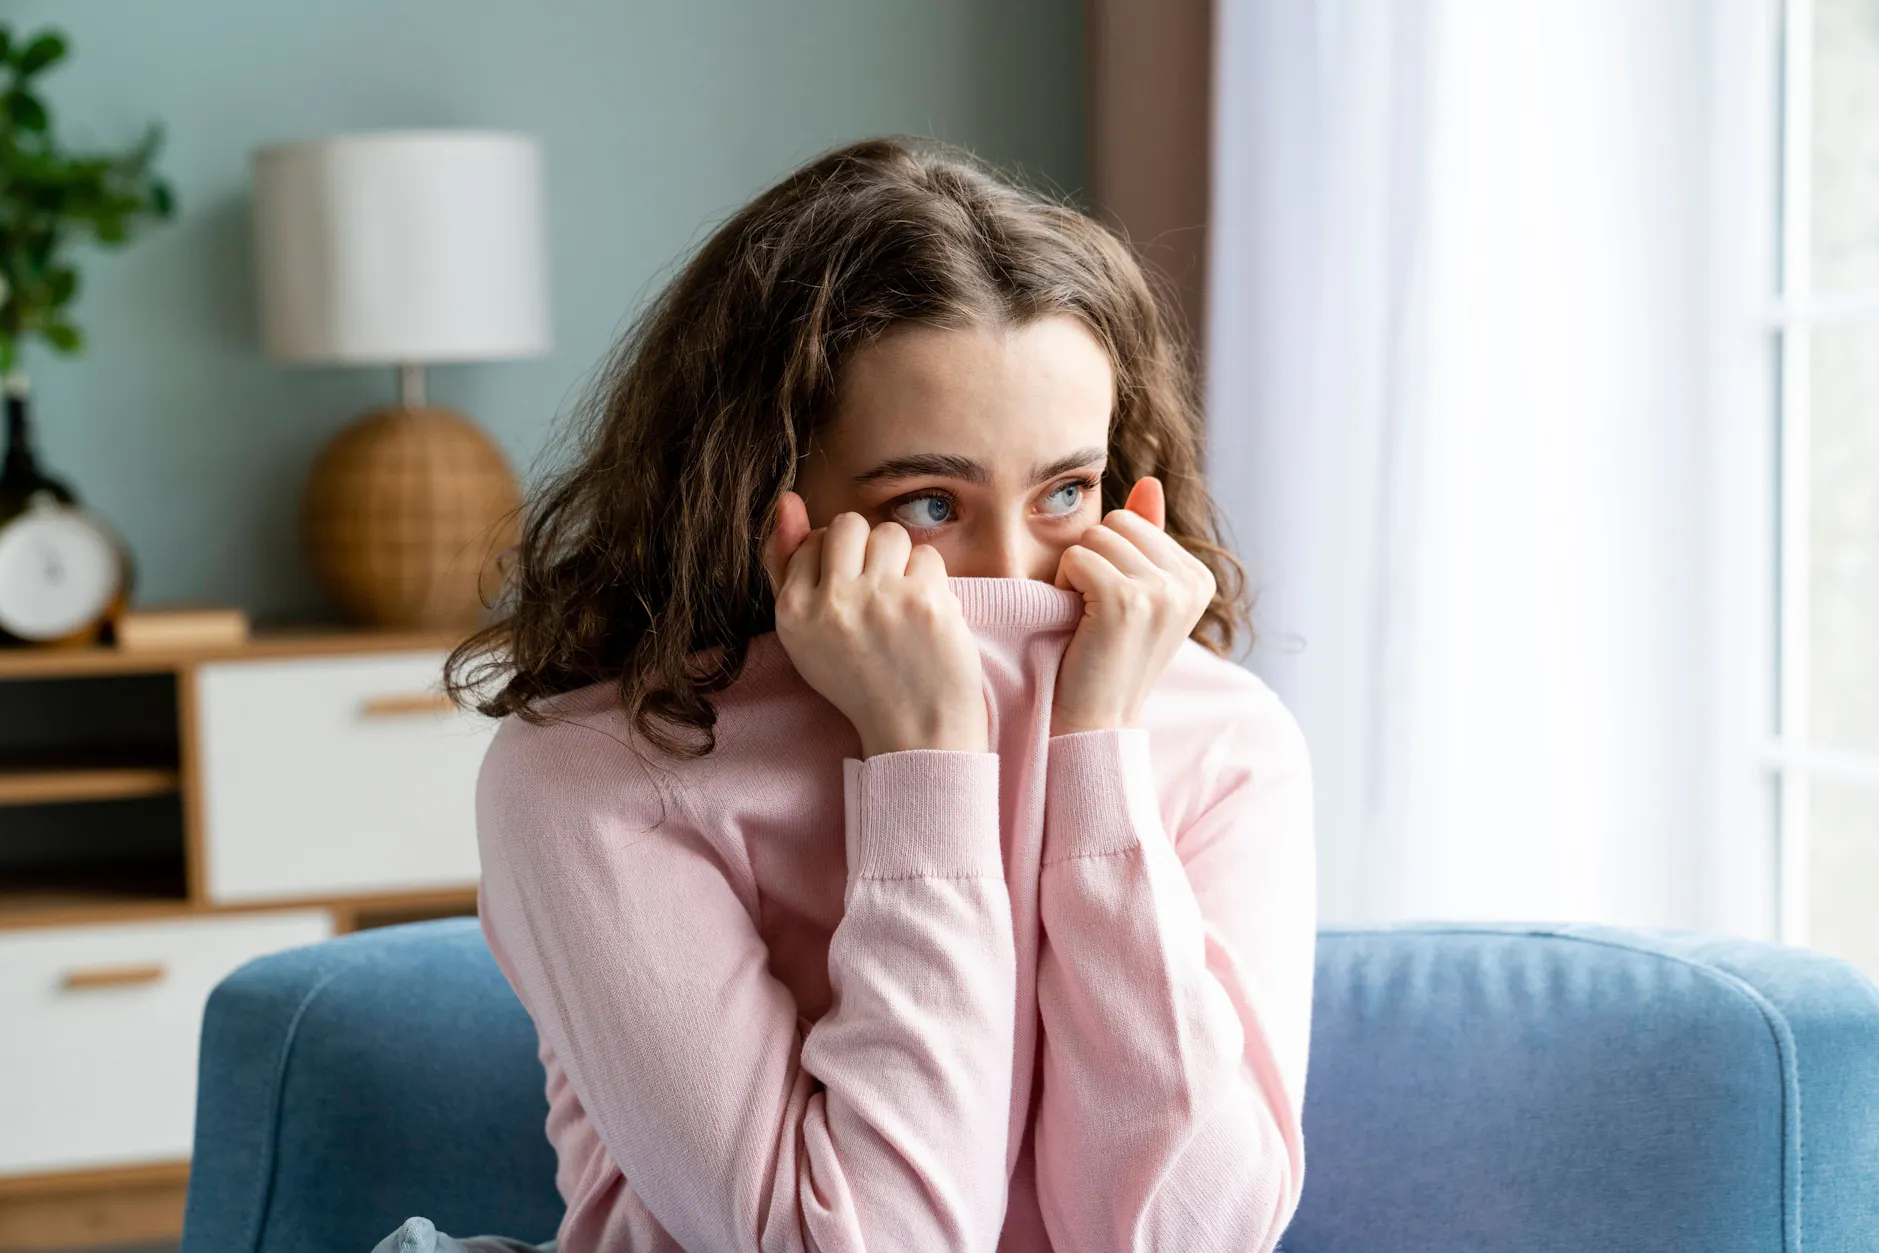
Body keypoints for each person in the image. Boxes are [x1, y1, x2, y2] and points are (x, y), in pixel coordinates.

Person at [445, 136, 1317, 1253]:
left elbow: (1183, 1234)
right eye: (929, 506)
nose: (1012, 581)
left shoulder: (1223, 739)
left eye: (1064, 490)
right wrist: (924, 761)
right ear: (764, 490)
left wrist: (1097, 754)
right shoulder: (598, 777)